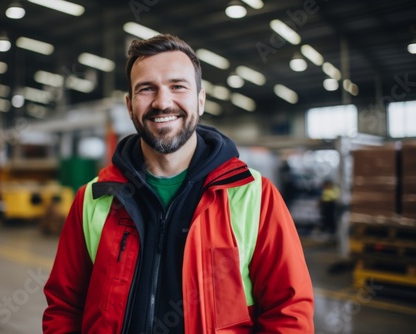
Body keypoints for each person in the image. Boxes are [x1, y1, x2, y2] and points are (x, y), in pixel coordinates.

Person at [43, 34, 314, 333]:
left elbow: (289, 312)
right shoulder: (93, 199)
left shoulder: (254, 195)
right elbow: (64, 307)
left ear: (201, 99)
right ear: (130, 105)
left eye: (177, 86)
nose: (162, 102)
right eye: (147, 89)